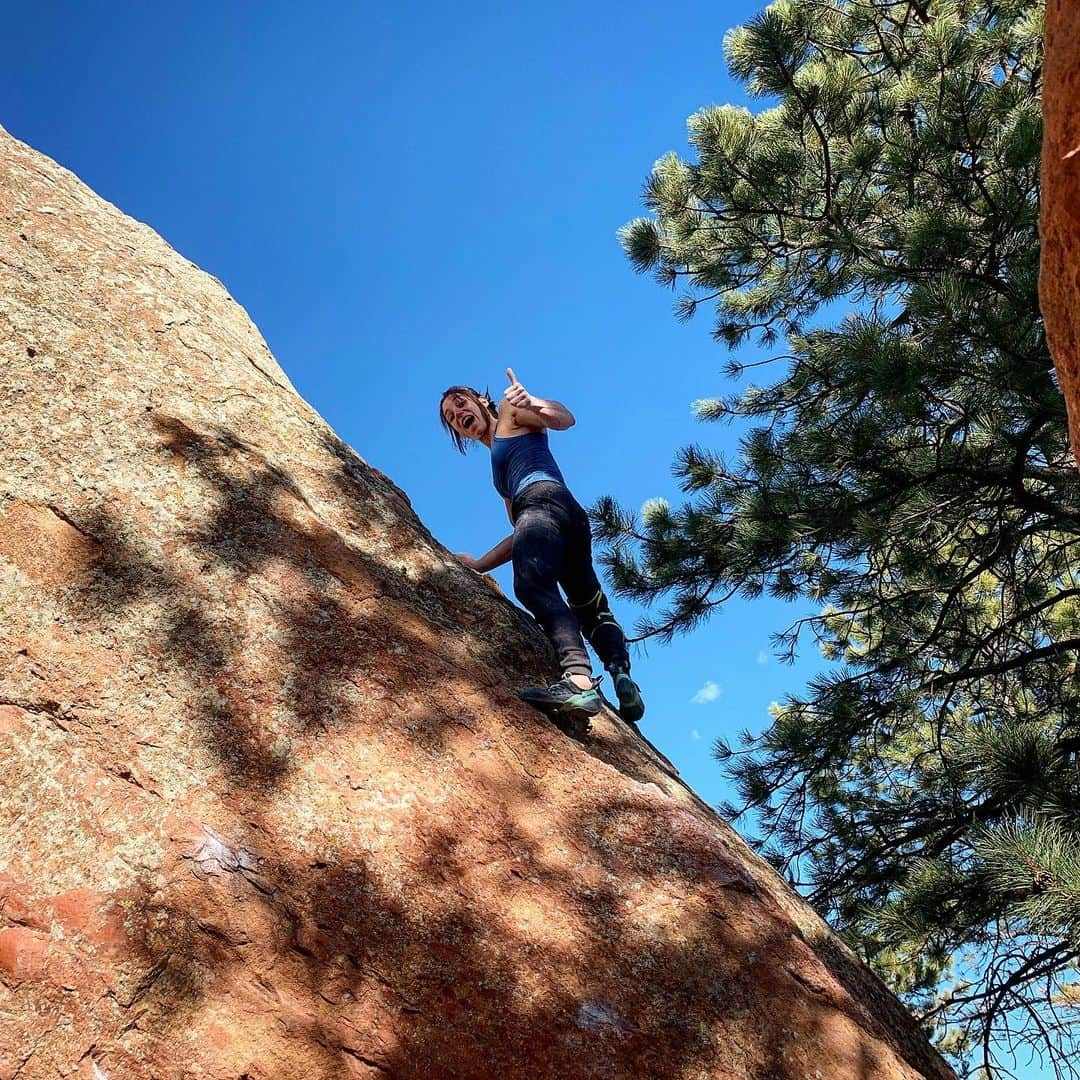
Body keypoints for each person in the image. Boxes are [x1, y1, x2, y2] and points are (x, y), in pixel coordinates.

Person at [439, 368, 645, 727]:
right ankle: (621, 674)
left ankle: (579, 681)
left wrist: (531, 401)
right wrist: (479, 565)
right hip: (566, 516)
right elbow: (521, 531)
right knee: (588, 603)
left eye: (460, 403)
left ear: (481, 400)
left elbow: (564, 419)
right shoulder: (501, 474)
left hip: (543, 501)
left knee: (532, 584)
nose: (458, 415)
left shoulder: (508, 411)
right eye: (451, 418)